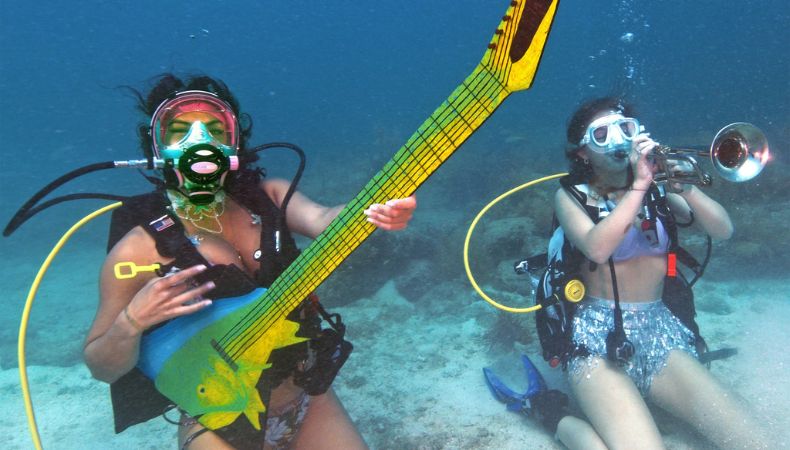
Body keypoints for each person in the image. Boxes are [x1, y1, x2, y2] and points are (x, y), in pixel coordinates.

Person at [83, 74, 416, 450]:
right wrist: (132, 321)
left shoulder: (270, 196)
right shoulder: (139, 249)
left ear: (234, 141)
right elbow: (101, 367)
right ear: (157, 147)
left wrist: (374, 210)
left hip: (308, 396)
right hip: (217, 422)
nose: (200, 143)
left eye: (214, 130)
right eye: (179, 133)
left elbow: (325, 219)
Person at [521, 96, 766, 449]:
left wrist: (685, 186)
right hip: (594, 342)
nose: (618, 139)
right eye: (602, 134)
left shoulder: (656, 189)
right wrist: (639, 185)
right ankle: (556, 417)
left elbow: (723, 230)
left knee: (753, 440)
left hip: (660, 331)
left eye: (625, 128)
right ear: (583, 153)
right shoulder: (572, 196)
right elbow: (597, 248)